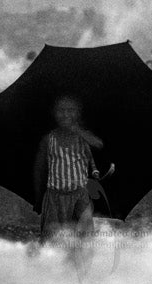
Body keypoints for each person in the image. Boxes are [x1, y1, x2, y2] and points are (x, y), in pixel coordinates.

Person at [33, 96, 103, 243]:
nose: (65, 115)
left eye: (70, 111)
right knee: (52, 238)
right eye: (61, 111)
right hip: (55, 196)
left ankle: (82, 264)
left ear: (78, 113)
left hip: (80, 195)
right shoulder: (49, 139)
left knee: (85, 238)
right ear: (54, 113)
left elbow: (98, 144)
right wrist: (39, 198)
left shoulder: (83, 138)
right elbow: (39, 169)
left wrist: (77, 130)